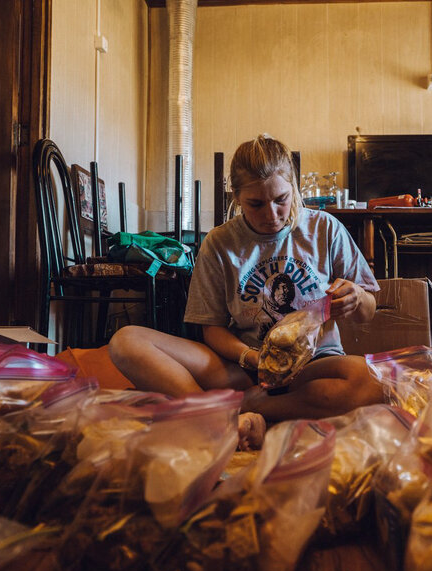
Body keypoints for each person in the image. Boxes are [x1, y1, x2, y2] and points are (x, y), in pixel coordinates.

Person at [109, 135, 384, 420]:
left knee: (377, 381)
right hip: (243, 367)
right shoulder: (219, 242)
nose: (272, 215)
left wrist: (358, 298)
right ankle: (220, 411)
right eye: (255, 204)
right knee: (126, 342)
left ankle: (244, 410)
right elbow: (212, 329)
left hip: (311, 368)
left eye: (281, 200)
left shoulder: (325, 228)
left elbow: (368, 313)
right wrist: (253, 359)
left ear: (294, 187)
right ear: (236, 197)